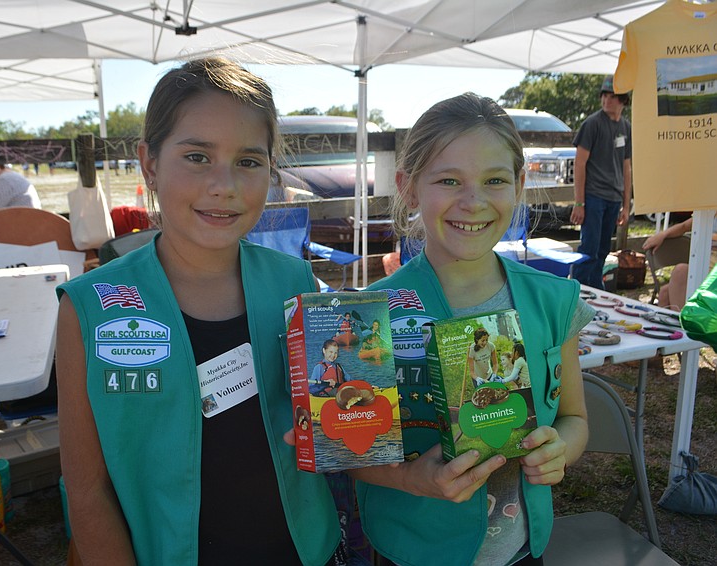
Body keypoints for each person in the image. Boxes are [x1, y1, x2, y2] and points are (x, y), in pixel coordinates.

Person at [55, 57, 339, 565]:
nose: (224, 185)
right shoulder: (91, 308)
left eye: (249, 162)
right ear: (149, 163)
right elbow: (87, 492)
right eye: (197, 157)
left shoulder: (296, 284)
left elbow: (338, 428)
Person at [353, 93, 591, 566]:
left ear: (519, 185)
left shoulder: (553, 301)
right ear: (408, 187)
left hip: (521, 551)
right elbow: (352, 453)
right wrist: (411, 479)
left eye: (495, 180)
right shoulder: (369, 313)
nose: (473, 201)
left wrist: (559, 448)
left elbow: (575, 419)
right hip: (412, 552)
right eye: (448, 180)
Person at [570, 75, 632, 289]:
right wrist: (579, 203)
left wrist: (627, 204)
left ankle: (596, 290)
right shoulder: (592, 124)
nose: (607, 100)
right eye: (604, 95)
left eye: (612, 96)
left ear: (623, 99)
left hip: (614, 198)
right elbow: (579, 164)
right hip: (593, 196)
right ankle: (576, 291)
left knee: (604, 250)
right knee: (589, 249)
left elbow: (627, 167)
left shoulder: (626, 127)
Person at [641, 214, 717, 311]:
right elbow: (684, 226)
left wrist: (708, 236)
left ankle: (682, 322)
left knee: (681, 271)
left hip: (711, 269)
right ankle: (671, 323)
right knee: (664, 293)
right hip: (703, 261)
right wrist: (663, 235)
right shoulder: (708, 212)